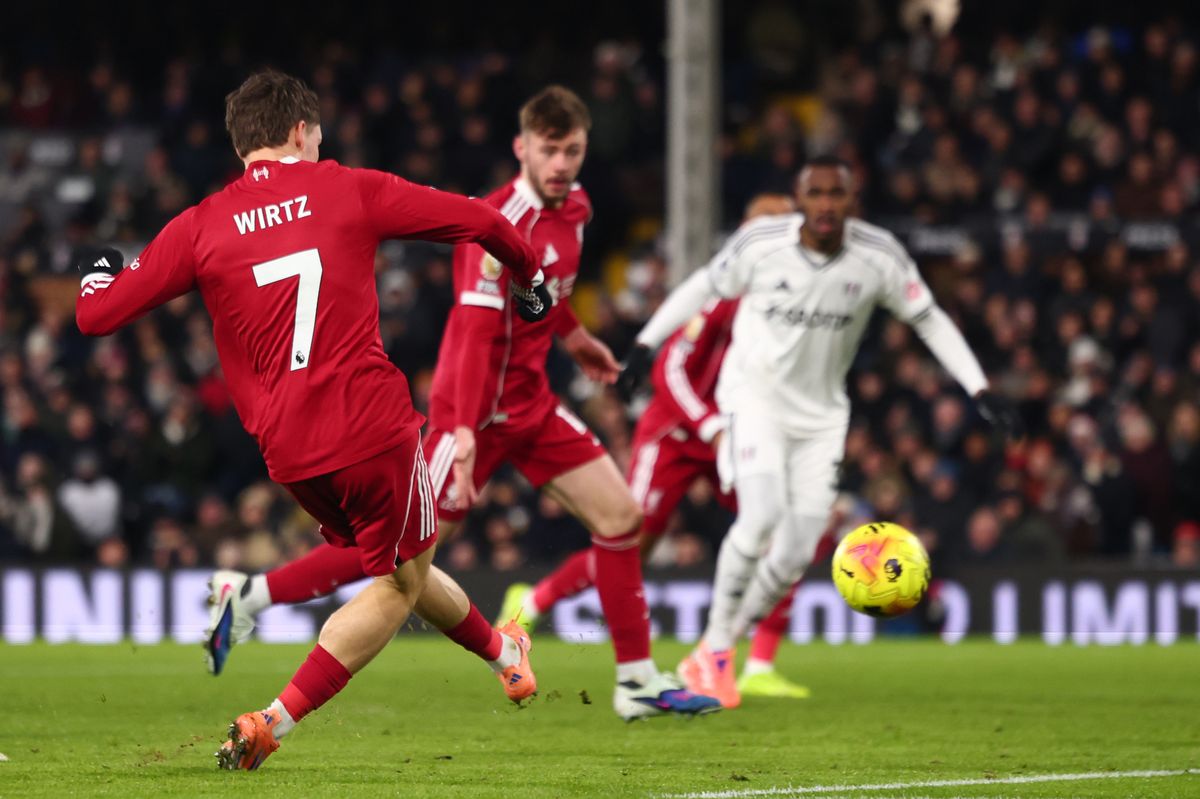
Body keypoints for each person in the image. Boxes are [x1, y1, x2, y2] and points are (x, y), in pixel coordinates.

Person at [76, 70, 553, 771]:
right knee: (398, 583)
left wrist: (97, 265)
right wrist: (530, 278)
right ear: (301, 131)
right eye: (319, 132)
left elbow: (97, 314)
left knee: (408, 562)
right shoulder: (344, 186)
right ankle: (273, 718)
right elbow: (483, 220)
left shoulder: (201, 223)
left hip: (289, 451)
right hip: (371, 425)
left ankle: (505, 652)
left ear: (244, 145)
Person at [201, 85, 720, 722]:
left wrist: (576, 337)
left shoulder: (577, 209)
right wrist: (465, 430)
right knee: (402, 560)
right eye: (549, 150)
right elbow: (475, 331)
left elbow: (541, 296)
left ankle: (637, 680)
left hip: (532, 406)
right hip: (470, 413)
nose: (561, 165)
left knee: (620, 519)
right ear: (521, 148)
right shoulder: (499, 221)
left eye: (573, 151)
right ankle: (252, 594)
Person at [618, 156, 1023, 708]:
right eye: (818, 194)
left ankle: (711, 653)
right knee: (760, 515)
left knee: (795, 550)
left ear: (852, 201)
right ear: (800, 198)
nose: (827, 205)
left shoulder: (878, 256)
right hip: (753, 399)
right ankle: (715, 653)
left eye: (838, 195)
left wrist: (980, 389)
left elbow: (927, 317)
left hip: (823, 416)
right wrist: (646, 342)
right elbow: (700, 285)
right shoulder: (762, 243)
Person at [499, 193, 835, 700]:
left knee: (782, 531)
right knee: (630, 542)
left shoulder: (785, 302)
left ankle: (758, 665)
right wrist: (710, 426)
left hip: (733, 434)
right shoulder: (719, 297)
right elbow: (670, 369)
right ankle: (536, 597)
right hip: (675, 434)